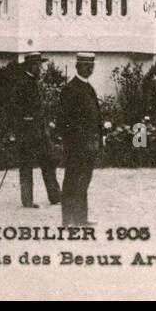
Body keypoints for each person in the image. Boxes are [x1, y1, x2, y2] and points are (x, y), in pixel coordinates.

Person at [57, 52, 102, 226]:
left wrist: (98, 140)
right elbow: (63, 122)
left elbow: (96, 118)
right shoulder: (70, 89)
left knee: (84, 182)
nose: (90, 68)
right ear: (77, 66)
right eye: (85, 65)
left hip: (90, 146)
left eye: (92, 65)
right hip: (76, 147)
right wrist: (77, 142)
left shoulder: (88, 88)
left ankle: (81, 219)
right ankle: (67, 221)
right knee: (71, 182)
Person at [12, 52, 61, 209]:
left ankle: (55, 196)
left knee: (48, 162)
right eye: (38, 65)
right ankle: (27, 200)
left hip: (41, 132)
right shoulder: (21, 84)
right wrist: (26, 120)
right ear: (31, 66)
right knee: (26, 165)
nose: (40, 68)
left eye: (40, 65)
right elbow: (15, 109)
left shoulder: (34, 82)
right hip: (27, 132)